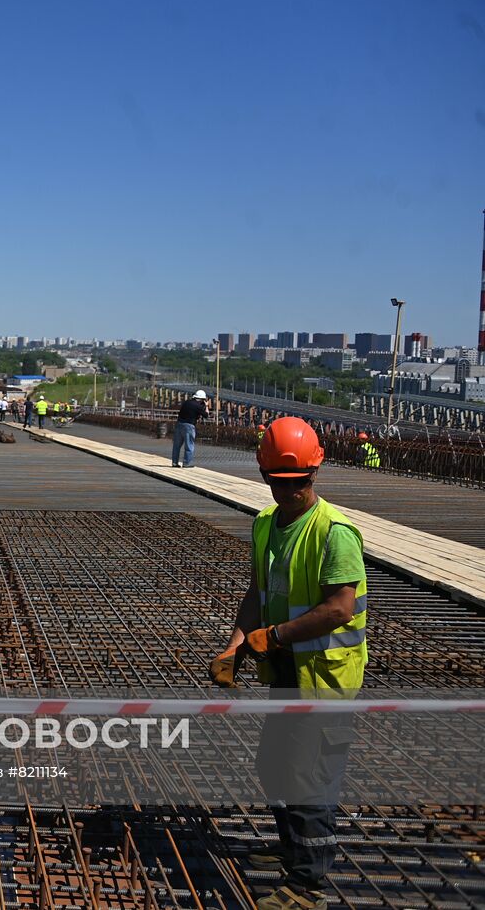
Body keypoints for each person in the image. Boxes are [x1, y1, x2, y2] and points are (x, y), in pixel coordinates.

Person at [208, 417, 366, 910]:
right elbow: (257, 592)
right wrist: (235, 645)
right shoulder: (264, 525)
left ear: (315, 474)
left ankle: (308, 886)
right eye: (278, 483)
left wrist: (272, 636)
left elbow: (340, 608)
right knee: (275, 767)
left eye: (296, 484)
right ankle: (290, 850)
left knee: (309, 777)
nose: (288, 492)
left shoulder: (334, 533)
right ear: (265, 476)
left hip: (326, 679)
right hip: (287, 672)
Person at [172, 389, 209, 467]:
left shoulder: (186, 402)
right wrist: (207, 406)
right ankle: (186, 463)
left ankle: (174, 462)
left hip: (179, 424)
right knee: (189, 446)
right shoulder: (198, 406)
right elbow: (206, 415)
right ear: (202, 399)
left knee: (177, 445)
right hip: (189, 426)